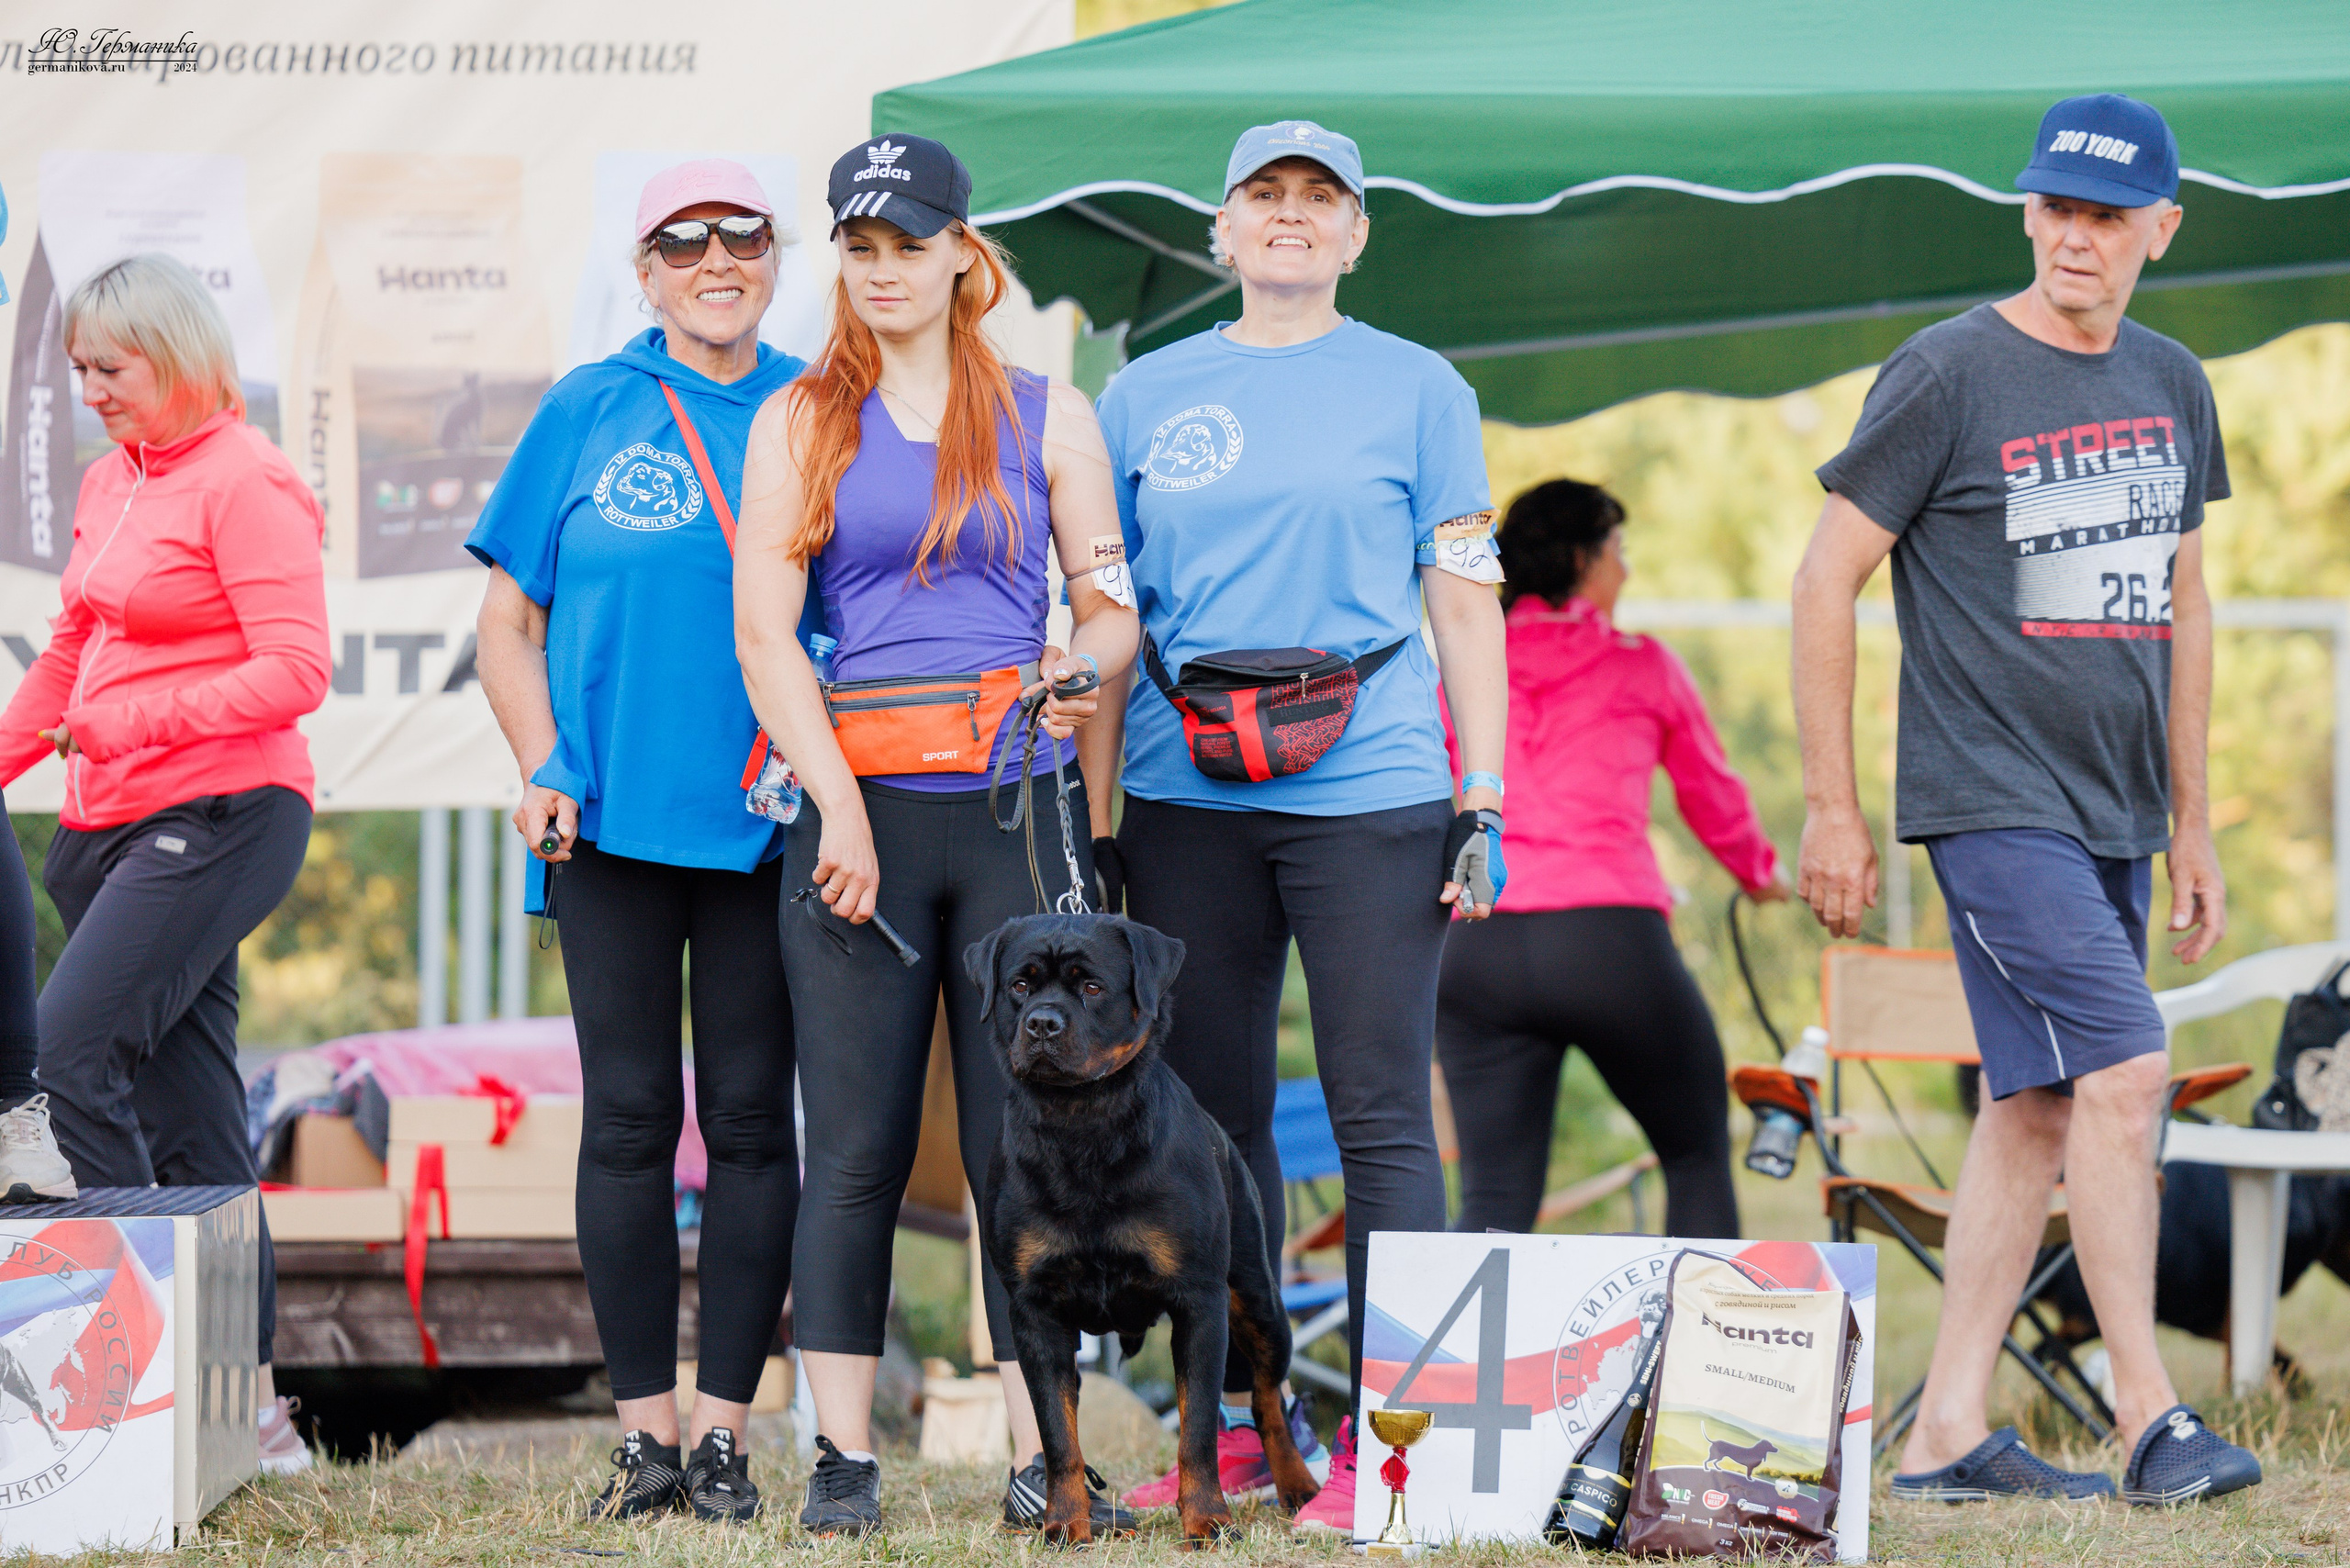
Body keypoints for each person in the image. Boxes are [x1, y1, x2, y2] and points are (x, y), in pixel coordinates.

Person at [1793, 95, 2261, 1506]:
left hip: (2121, 809)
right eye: (2056, 207)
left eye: (2108, 216)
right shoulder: (1944, 373)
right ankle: (2148, 1418)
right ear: (2026, 213)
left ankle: (1944, 1429)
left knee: (2038, 1106)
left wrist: (2192, 815)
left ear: (2161, 231)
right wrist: (1832, 807)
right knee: (2122, 1074)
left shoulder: (2176, 383)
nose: (2076, 236)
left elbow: (2184, 603)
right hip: (1994, 801)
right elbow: (1825, 579)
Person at [1084, 121, 1510, 1534]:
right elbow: (1108, 616)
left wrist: (1483, 794)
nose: (1288, 218)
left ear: (1357, 233)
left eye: (1317, 200)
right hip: (1180, 791)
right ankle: (1247, 1436)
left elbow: (1461, 597)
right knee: (1208, 1130)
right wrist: (1096, 817)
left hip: (1374, 789)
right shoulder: (1142, 393)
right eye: (1263, 197)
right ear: (1221, 229)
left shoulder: (1422, 388)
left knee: (1385, 1113)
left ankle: (1407, 1455)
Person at [731, 134, 1139, 1540]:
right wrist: (836, 805)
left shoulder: (1050, 415)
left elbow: (1108, 605)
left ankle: (1049, 1460)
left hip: (1018, 809)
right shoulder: (799, 421)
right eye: (859, 245)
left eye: (909, 242)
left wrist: (1088, 662)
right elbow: (764, 638)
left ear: (966, 251)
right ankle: (842, 1459)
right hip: (863, 814)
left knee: (1029, 1155)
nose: (883, 268)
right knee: (852, 1146)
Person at [469, 160, 805, 1526]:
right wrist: (541, 758)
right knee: (626, 1120)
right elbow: (507, 625)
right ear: (646, 269)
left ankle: (726, 1438)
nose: (716, 261)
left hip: (766, 824)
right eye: (684, 243)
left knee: (746, 1123)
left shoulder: (817, 404)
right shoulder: (588, 405)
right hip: (603, 820)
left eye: (742, 238)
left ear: (775, 258)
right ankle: (644, 1444)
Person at [0, 253, 330, 1475]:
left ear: (178, 357)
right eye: (76, 367)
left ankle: (149, 1386)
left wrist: (133, 723)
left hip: (227, 811)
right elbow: (70, 648)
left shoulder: (247, 481)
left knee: (69, 1057)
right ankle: (247, 1414)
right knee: (194, 1120)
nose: (90, 387)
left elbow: (296, 672)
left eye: (110, 366)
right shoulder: (109, 485)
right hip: (106, 832)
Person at [1437, 479, 1783, 1240]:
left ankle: (1453, 1365)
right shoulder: (1640, 664)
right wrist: (1762, 876)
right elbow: (1711, 792)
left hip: (1477, 943)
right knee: (1694, 1151)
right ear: (1583, 559)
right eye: (1619, 552)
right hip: (1607, 942)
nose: (1626, 571)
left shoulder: (1462, 666)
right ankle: (1702, 1362)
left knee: (1492, 1197)